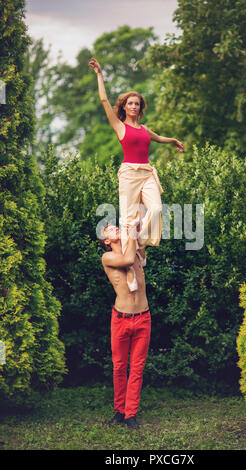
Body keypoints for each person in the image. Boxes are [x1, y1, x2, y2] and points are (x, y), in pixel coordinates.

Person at [88, 57, 184, 293]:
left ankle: (139, 243)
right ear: (124, 107)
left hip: (147, 172)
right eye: (130, 103)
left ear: (140, 108)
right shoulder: (120, 127)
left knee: (156, 209)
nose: (133, 106)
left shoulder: (143, 129)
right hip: (129, 174)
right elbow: (103, 99)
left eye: (137, 104)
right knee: (129, 220)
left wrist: (173, 141)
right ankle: (131, 263)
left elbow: (158, 138)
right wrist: (100, 74)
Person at [99, 222, 151, 430]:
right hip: (120, 319)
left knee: (136, 369)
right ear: (106, 241)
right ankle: (119, 412)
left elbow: (144, 239)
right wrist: (130, 235)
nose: (115, 228)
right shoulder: (108, 257)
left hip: (143, 318)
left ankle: (131, 415)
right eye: (109, 229)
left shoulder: (136, 251)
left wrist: (136, 225)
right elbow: (127, 259)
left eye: (115, 226)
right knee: (119, 367)